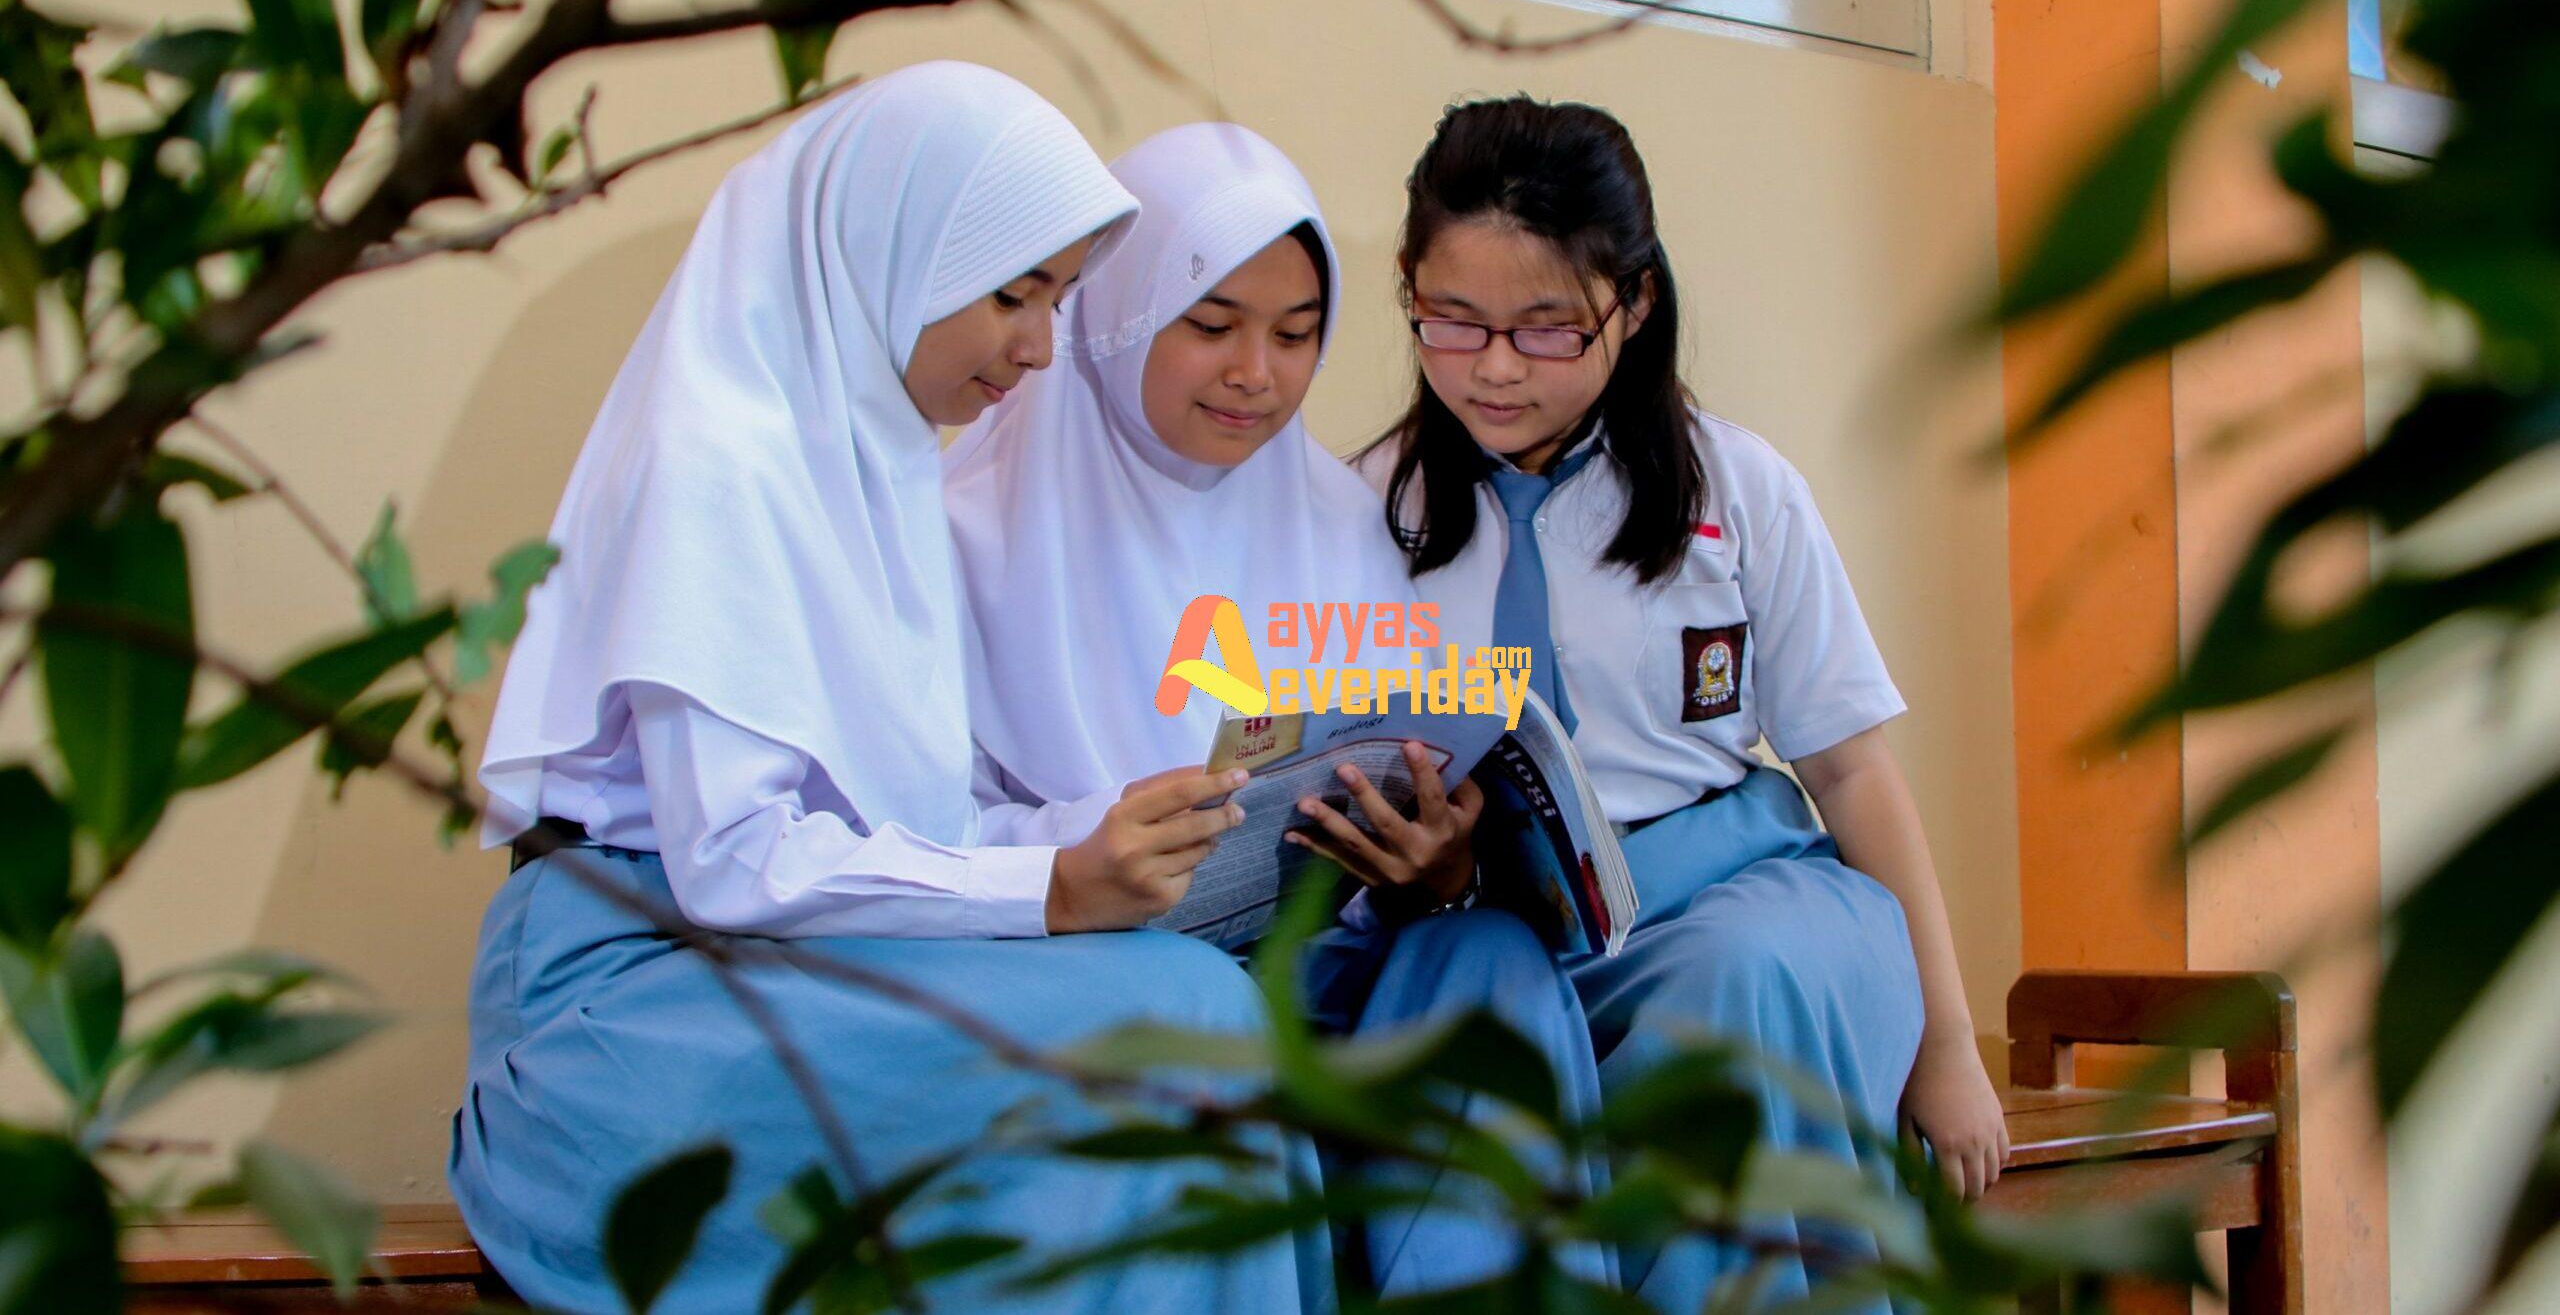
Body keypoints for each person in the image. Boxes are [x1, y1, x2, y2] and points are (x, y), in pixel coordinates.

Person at [450, 64, 1328, 1314]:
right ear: (885, 248)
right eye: (1012, 293)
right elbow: (737, 860)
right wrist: (1054, 882)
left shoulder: (878, 462)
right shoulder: (722, 463)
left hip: (789, 957)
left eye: (1063, 300)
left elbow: (898, 819)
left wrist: (1105, 832)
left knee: (1189, 1004)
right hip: (638, 994)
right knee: (1168, 1020)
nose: (1036, 347)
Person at [1359, 95, 2008, 1312]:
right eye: (1454, 320)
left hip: (1748, 894)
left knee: (1725, 983)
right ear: (1409, 290)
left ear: (1634, 302)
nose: (1494, 366)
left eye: (1546, 328)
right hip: (1505, 934)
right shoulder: (1364, 513)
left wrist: (1952, 1048)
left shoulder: (1735, 490)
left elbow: (1855, 772)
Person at [943, 121, 1607, 1297]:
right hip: (1097, 983)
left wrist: (1432, 862)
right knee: (1193, 1002)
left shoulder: (1332, 513)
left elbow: (1377, 743)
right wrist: (1084, 857)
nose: (1258, 372)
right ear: (1114, 316)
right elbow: (912, 839)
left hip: (1313, 961)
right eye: (1211, 326)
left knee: (1489, 956)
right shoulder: (969, 530)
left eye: (1298, 336)